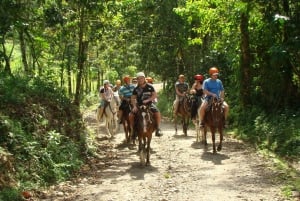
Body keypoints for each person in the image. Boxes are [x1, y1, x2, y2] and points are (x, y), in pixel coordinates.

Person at [129, 72, 162, 137]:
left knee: (157, 113)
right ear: (137, 80)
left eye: (142, 78)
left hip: (149, 105)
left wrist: (148, 100)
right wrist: (134, 106)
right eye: (139, 78)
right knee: (131, 115)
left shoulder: (150, 86)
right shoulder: (136, 89)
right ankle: (133, 131)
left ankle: (158, 128)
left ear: (144, 78)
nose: (140, 80)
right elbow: (132, 98)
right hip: (139, 106)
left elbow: (154, 95)